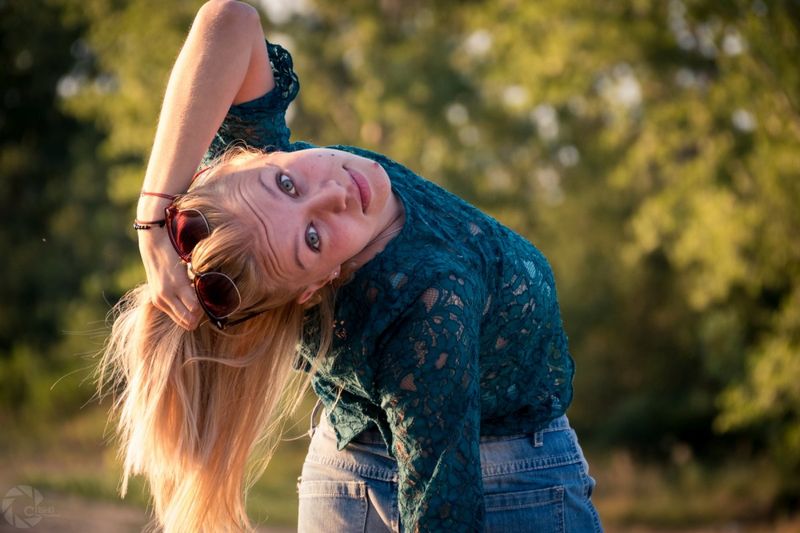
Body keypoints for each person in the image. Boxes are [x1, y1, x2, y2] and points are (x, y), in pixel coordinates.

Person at [98, 1, 603, 532]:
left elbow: (229, 19)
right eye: (313, 238)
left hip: (348, 470)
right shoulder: (425, 303)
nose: (334, 193)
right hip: (507, 485)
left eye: (288, 183)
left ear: (251, 156)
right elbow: (441, 510)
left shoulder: (250, 211)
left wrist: (153, 218)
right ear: (314, 287)